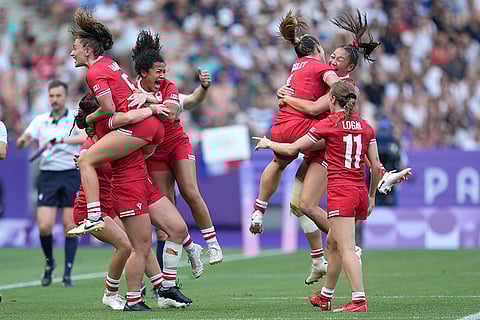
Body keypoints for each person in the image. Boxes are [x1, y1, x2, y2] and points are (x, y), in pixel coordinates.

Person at [254, 80, 383, 312]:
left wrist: (268, 142)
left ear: (332, 100)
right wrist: (372, 196)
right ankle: (326, 296)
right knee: (333, 243)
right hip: (360, 192)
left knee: (346, 247)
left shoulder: (328, 125)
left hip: (341, 192)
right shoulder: (367, 127)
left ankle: (359, 300)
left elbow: (292, 149)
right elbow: (377, 167)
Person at [249, 9, 342, 284]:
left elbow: (297, 93)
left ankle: (261, 209)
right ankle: (345, 243)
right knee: (310, 196)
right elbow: (332, 87)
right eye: (327, 52)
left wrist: (284, 97)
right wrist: (339, 92)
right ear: (316, 50)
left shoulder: (296, 67)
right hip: (308, 129)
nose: (330, 57)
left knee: (296, 201)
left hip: (281, 124)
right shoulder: (320, 67)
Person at [128, 30, 223, 275]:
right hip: (154, 152)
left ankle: (212, 244)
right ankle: (176, 268)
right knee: (165, 215)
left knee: (191, 192)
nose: (163, 75)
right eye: (159, 71)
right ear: (143, 73)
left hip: (177, 143)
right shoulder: (129, 90)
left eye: (164, 71)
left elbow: (173, 111)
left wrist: (148, 99)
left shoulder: (168, 86)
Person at [16, 80, 86, 287]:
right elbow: (23, 142)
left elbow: (84, 137)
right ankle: (49, 263)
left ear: (65, 96)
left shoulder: (75, 117)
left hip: (70, 173)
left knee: (69, 226)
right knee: (45, 226)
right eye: (52, 96)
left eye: (58, 95)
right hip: (47, 175)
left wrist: (61, 140)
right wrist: (24, 139)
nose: (55, 99)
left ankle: (67, 273)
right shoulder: (40, 120)